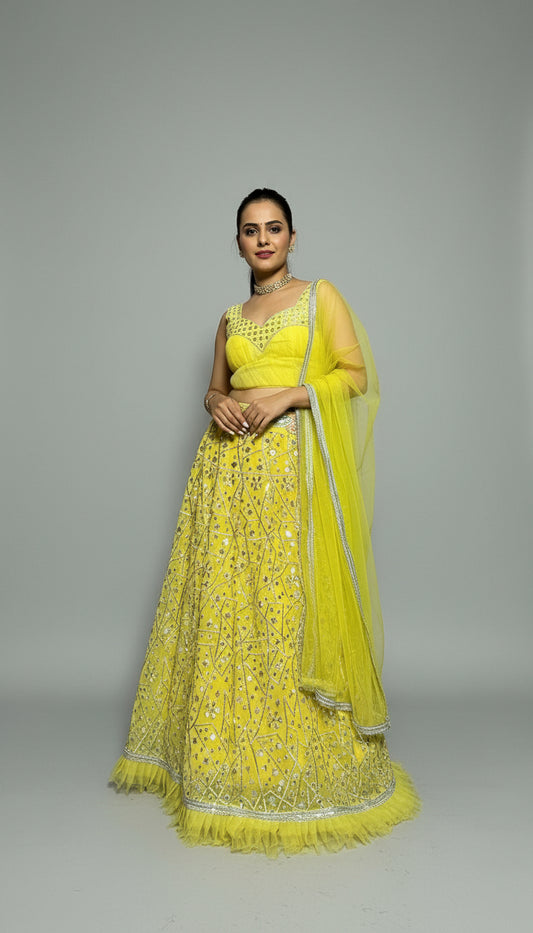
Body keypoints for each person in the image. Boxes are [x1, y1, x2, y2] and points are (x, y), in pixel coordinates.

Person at [109, 188, 421, 856]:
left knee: (284, 608)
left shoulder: (318, 298)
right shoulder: (228, 317)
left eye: (273, 228)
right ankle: (224, 758)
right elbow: (214, 387)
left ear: (292, 235)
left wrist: (287, 395)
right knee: (228, 608)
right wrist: (216, 401)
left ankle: (296, 760)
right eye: (249, 230)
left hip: (291, 473)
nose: (262, 239)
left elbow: (357, 376)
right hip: (225, 475)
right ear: (238, 241)